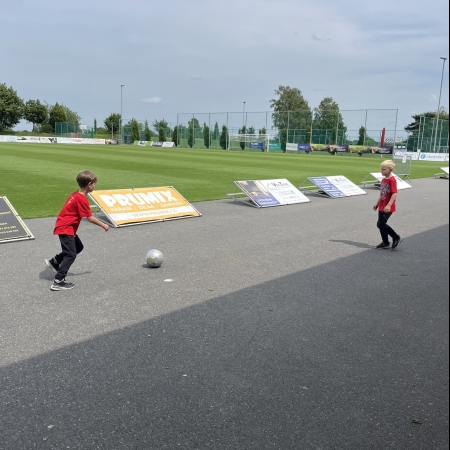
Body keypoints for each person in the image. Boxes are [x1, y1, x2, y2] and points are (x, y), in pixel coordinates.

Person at [45, 170, 109, 291]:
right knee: (71, 254)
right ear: (89, 184)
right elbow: (90, 218)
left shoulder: (76, 194)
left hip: (65, 226)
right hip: (66, 228)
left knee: (78, 247)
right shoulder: (82, 199)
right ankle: (58, 281)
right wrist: (103, 225)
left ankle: (55, 261)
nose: (94, 185)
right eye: (94, 183)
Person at [373, 160, 402, 250]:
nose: (382, 171)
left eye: (384, 169)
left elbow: (394, 193)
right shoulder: (383, 180)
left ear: (390, 170)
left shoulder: (392, 180)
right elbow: (382, 193)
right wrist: (377, 203)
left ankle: (396, 237)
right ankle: (385, 242)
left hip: (388, 206)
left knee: (381, 224)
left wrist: (389, 205)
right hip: (382, 205)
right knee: (380, 224)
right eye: (381, 169)